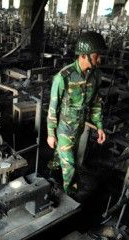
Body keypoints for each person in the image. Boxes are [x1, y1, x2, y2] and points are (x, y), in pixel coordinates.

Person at [47, 31, 107, 193]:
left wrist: (99, 126)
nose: (99, 59)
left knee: (67, 154)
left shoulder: (95, 76)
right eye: (96, 55)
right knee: (70, 165)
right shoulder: (64, 77)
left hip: (79, 126)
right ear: (84, 55)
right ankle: (69, 194)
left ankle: (54, 164)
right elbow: (53, 107)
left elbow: (95, 104)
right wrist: (51, 133)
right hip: (64, 128)